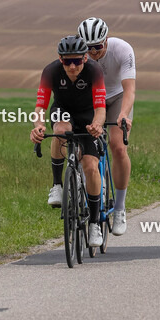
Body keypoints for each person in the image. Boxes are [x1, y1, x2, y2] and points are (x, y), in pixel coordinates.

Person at [30, 36, 108, 247]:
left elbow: (101, 108)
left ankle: (93, 224)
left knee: (91, 166)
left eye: (77, 61)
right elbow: (40, 107)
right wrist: (38, 126)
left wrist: (98, 125)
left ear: (85, 58)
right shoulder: (51, 71)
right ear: (60, 59)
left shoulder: (94, 71)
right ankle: (57, 185)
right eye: (67, 61)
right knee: (60, 129)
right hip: (63, 111)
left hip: (88, 115)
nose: (72, 66)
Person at [78, 17, 136, 236]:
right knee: (85, 146)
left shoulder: (122, 50)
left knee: (118, 145)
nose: (93, 53)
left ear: (106, 39)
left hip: (118, 96)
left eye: (97, 47)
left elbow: (129, 89)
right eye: (88, 48)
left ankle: (119, 208)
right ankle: (90, 191)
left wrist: (123, 115)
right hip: (93, 100)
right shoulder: (78, 55)